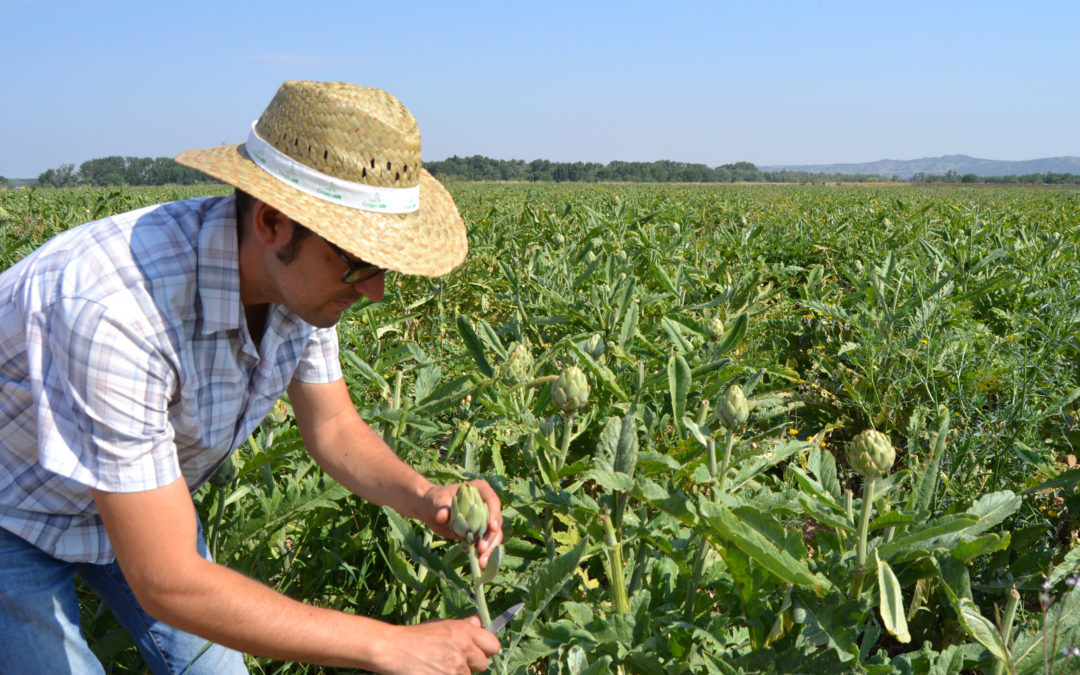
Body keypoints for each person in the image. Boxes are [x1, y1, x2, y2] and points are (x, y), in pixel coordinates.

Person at [0, 81, 502, 674]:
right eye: (359, 261)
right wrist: (383, 643)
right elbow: (166, 580)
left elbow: (334, 427)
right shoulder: (114, 309)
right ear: (270, 222)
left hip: (146, 504)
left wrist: (425, 497)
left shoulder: (302, 285)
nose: (375, 290)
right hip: (15, 515)